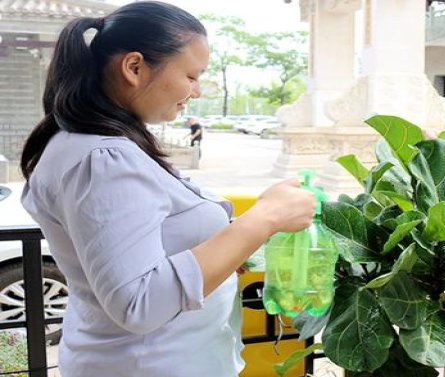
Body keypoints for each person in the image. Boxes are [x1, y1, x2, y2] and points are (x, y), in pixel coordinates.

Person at [18, 2, 316, 376]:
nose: (197, 91)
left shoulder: (93, 144)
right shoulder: (104, 159)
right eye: (191, 76)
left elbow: (139, 247)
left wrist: (224, 249)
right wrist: (264, 218)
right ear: (135, 67)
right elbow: (139, 302)